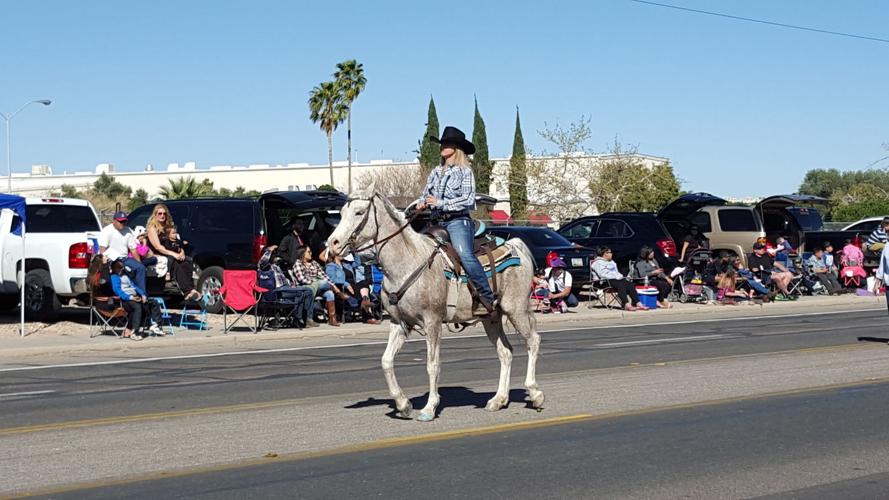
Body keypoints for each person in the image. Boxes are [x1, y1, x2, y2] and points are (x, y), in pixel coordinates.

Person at [416, 126, 496, 314]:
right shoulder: (436, 171)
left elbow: (468, 200)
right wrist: (421, 203)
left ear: (456, 148)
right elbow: (425, 194)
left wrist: (441, 202)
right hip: (436, 222)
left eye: (447, 143)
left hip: (458, 221)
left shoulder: (465, 171)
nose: (443, 146)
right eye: (442, 143)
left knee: (465, 254)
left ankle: (487, 296)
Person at [146, 203, 200, 301]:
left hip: (168, 253)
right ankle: (188, 290)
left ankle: (189, 291)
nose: (162, 216)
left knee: (186, 263)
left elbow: (176, 242)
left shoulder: (168, 228)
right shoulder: (152, 228)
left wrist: (181, 251)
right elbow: (158, 247)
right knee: (173, 262)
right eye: (160, 213)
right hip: (155, 255)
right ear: (155, 215)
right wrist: (174, 254)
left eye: (164, 214)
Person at [258, 245, 316, 328]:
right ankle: (297, 319)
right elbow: (262, 261)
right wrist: (269, 250)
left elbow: (284, 279)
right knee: (300, 293)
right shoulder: (264, 267)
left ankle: (308, 319)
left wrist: (292, 285)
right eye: (273, 254)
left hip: (285, 288)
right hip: (278, 291)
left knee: (308, 291)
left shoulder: (275, 266)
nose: (274, 255)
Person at [109, 259, 164, 340]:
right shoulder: (114, 277)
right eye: (119, 268)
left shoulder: (125, 275)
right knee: (137, 307)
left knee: (153, 302)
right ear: (114, 269)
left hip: (135, 297)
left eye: (122, 268)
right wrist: (130, 297)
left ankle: (155, 325)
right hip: (125, 300)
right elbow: (118, 291)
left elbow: (135, 286)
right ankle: (135, 331)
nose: (121, 270)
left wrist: (142, 294)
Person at [291, 245, 344, 327]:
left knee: (329, 293)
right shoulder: (298, 264)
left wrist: (333, 285)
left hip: (319, 287)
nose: (311, 253)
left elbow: (324, 276)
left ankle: (332, 319)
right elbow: (302, 279)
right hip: (305, 287)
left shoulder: (314, 263)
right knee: (323, 284)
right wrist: (315, 282)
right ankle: (337, 292)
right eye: (308, 252)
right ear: (302, 254)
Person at [98, 211, 146, 293]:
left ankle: (142, 294)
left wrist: (139, 263)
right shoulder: (107, 231)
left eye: (124, 221)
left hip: (124, 258)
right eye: (120, 221)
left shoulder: (128, 231)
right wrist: (104, 263)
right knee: (115, 271)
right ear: (114, 221)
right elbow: (103, 249)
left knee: (140, 268)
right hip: (111, 259)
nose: (122, 223)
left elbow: (133, 249)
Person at [591, 247, 648, 311]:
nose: (612, 254)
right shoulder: (597, 263)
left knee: (630, 284)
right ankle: (626, 305)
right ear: (605, 254)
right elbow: (602, 274)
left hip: (615, 280)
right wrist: (616, 276)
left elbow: (617, 272)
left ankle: (638, 303)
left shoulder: (612, 262)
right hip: (603, 282)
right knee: (621, 284)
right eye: (610, 252)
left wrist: (620, 276)